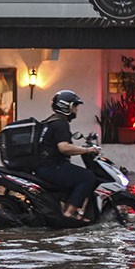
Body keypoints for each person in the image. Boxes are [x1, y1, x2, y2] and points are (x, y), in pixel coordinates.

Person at [35, 90, 101, 221]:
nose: (76, 110)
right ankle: (69, 215)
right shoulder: (61, 123)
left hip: (44, 167)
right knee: (87, 177)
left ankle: (65, 209)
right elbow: (64, 148)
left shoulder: (50, 121)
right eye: (75, 106)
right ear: (67, 107)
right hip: (52, 167)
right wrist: (87, 150)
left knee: (74, 175)